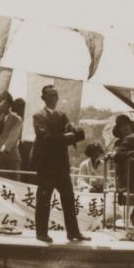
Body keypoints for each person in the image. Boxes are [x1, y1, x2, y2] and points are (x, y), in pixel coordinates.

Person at [32, 83, 89, 243]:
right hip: (46, 164)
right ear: (43, 98)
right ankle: (41, 232)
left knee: (69, 197)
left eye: (55, 95)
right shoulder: (38, 116)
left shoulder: (62, 115)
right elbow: (46, 138)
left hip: (61, 164)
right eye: (50, 95)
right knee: (44, 198)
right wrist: (71, 137)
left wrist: (70, 133)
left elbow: (67, 128)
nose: (53, 98)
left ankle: (73, 232)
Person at [0, 95, 25, 176]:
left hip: (12, 160)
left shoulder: (16, 120)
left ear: (9, 104)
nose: (0, 105)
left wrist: (2, 150)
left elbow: (12, 138)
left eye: (3, 103)